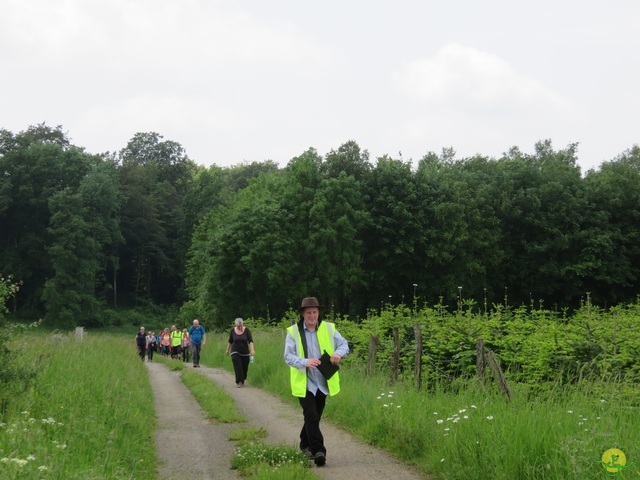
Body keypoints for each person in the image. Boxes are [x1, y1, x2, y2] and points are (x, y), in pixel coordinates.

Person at [284, 297, 349, 467]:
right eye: (308, 313)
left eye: (314, 312)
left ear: (318, 312)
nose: (312, 315)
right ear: (303, 314)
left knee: (315, 417)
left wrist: (338, 354)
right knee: (311, 414)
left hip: (322, 381)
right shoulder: (293, 332)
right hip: (304, 383)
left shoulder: (328, 328)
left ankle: (304, 444)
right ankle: (319, 450)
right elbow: (287, 356)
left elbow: (344, 344)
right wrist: (305, 362)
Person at [225, 318, 255, 387]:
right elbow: (230, 341)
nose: (240, 327)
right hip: (235, 350)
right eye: (238, 326)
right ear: (236, 325)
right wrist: (227, 350)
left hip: (245, 352)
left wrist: (252, 349)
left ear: (242, 324)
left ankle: (243, 378)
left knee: (244, 367)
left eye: (241, 325)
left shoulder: (247, 330)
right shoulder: (233, 330)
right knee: (237, 365)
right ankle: (239, 381)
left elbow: (250, 341)